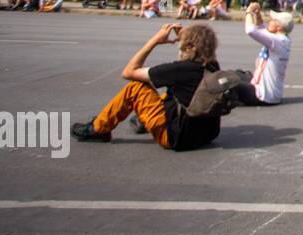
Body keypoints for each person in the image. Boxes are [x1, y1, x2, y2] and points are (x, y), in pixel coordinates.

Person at [72, 23, 225, 150]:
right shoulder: (212, 66)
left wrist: (155, 41)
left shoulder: (178, 70)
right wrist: (188, 36)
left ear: (188, 46)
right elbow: (190, 64)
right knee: (173, 92)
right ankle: (143, 121)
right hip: (206, 135)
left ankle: (99, 129)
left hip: (176, 138)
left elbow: (129, 72)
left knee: (136, 88)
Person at [238, 4, 292, 105]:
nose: (269, 22)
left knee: (227, 82)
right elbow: (262, 29)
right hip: (270, 93)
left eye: (272, 21)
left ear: (279, 27)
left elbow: (251, 31)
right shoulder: (282, 39)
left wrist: (249, 12)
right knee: (238, 74)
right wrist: (257, 15)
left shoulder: (277, 41)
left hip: (263, 95)